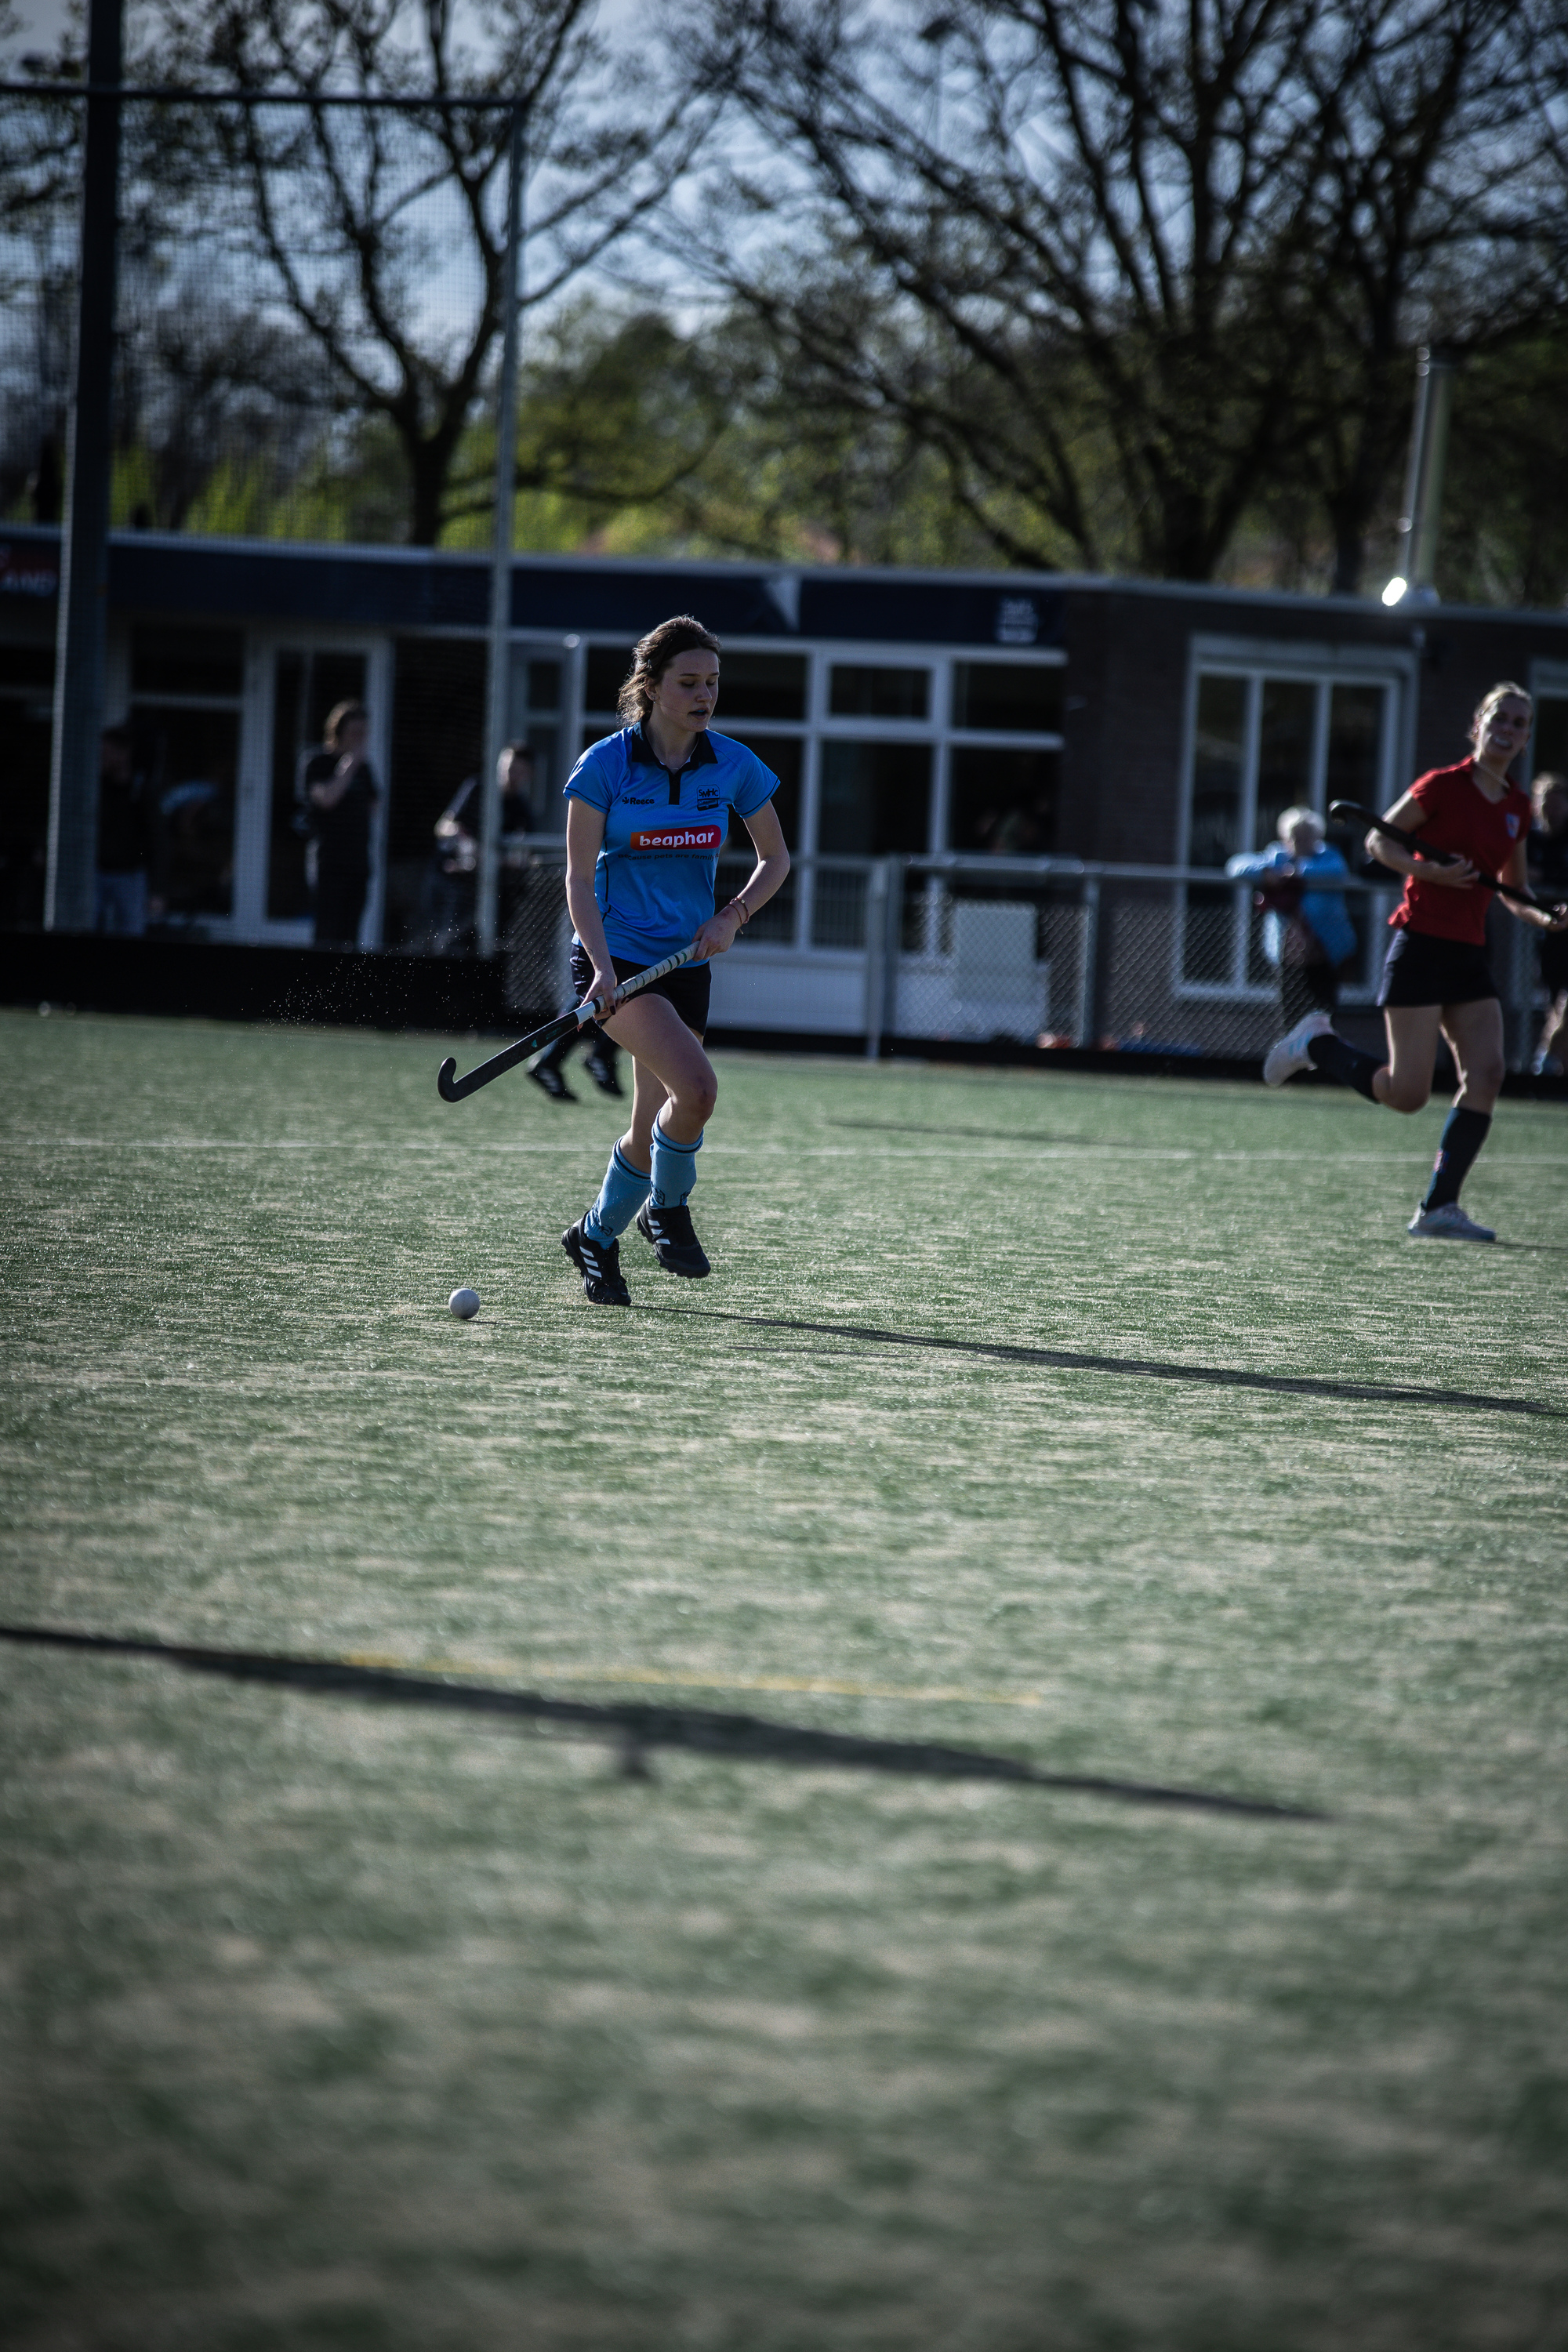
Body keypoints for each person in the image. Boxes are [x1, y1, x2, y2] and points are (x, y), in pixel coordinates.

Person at [1261, 681, 1568, 1240]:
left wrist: (1547, 919)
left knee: (1489, 1072)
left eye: (1520, 723)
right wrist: (1429, 871)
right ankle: (1315, 1043)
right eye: (1500, 717)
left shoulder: (1519, 808)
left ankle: (1438, 1208)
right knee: (1408, 1094)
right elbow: (1380, 844)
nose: (1509, 728)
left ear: (1525, 740)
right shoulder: (1442, 786)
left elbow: (1512, 889)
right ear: (1478, 725)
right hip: (1421, 944)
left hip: (1470, 952)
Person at [558, 615, 791, 1305]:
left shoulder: (732, 765)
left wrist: (734, 913)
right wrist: (600, 968)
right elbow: (575, 880)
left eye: (712, 683)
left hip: (688, 961)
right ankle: (667, 1209)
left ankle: (596, 1236)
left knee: (650, 1125)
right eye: (689, 683)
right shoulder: (604, 767)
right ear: (653, 687)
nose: (704, 696)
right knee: (700, 1090)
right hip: (618, 962)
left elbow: (776, 859)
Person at [1227, 805, 1357, 1031]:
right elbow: (1236, 867)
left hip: (1325, 949)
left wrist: (1296, 874)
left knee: (1324, 1012)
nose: (1300, 842)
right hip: (1287, 951)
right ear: (1285, 837)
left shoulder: (1328, 856)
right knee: (1290, 1013)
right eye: (1294, 837)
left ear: (1316, 837)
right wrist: (1267, 872)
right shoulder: (1276, 857)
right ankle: (1292, 1061)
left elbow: (1337, 871)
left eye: (1307, 837)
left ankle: (1322, 1060)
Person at [303, 701, 379, 948]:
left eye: (363, 734)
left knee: (350, 935)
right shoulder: (317, 762)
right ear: (338, 732)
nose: (359, 740)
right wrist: (348, 765)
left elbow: (374, 805)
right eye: (354, 734)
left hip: (357, 863)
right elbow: (326, 799)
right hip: (329, 863)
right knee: (328, 932)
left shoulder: (365, 769)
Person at [1527, 771, 1568, 1076]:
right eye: (1546, 804)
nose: (1551, 811)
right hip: (1547, 933)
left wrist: (1546, 876)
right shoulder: (1529, 840)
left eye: (1557, 804)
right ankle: (1552, 1064)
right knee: (1554, 1003)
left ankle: (1544, 1058)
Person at [95, 726, 154, 934]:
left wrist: (158, 889)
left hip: (130, 875)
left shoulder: (140, 790)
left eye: (107, 753)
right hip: (97, 871)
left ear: (123, 754)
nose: (103, 758)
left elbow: (157, 837)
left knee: (131, 928)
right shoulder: (95, 787)